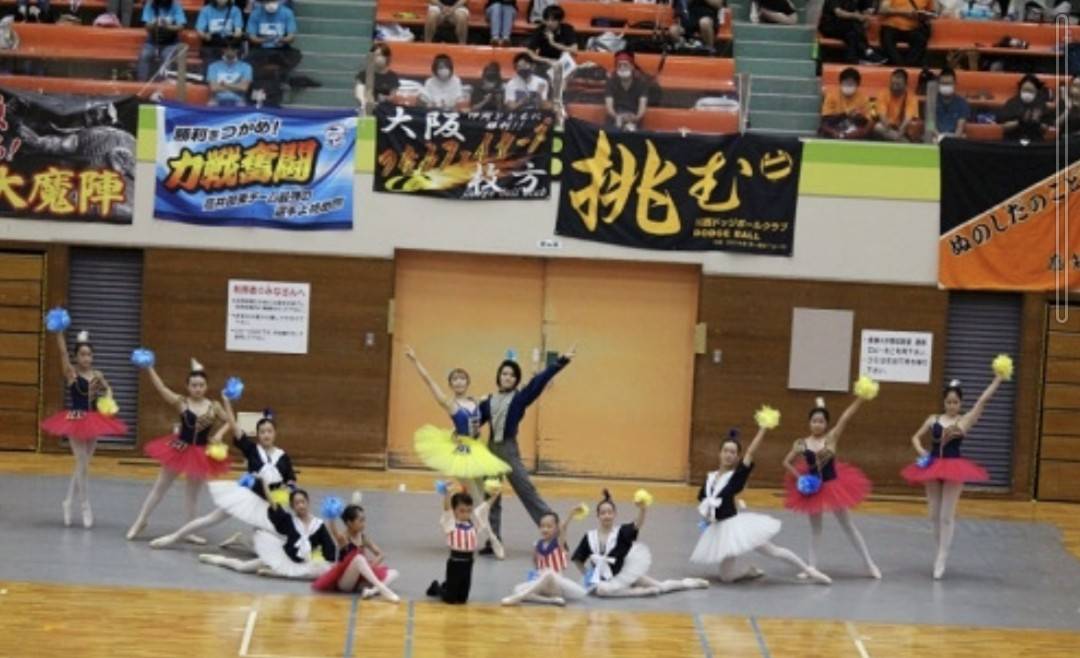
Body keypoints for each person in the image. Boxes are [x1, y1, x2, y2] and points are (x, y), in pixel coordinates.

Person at [902, 364, 1008, 579]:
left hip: (953, 467)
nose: (952, 405)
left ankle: (941, 557)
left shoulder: (964, 420)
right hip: (932, 466)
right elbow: (915, 437)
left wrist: (998, 379)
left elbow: (983, 400)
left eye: (956, 402)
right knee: (933, 515)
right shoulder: (933, 419)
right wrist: (921, 451)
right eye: (949, 402)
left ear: (960, 403)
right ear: (944, 402)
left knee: (946, 516)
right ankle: (939, 549)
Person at [692, 424, 832, 585]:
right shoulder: (710, 478)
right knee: (726, 577)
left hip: (736, 527)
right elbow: (705, 500)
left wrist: (763, 428)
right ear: (719, 453)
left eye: (733, 452)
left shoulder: (736, 476)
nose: (728, 455)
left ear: (737, 457)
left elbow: (751, 452)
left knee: (773, 551)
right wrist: (708, 518)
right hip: (720, 529)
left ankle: (810, 570)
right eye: (725, 451)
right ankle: (750, 571)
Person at [149, 404, 294, 549]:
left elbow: (290, 480)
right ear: (258, 435)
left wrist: (288, 491)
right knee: (211, 519)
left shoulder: (283, 456)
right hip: (246, 495)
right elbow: (233, 424)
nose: (266, 435)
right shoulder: (251, 449)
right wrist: (226, 401)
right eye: (262, 432)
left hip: (269, 501)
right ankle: (173, 537)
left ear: (275, 433)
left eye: (269, 431)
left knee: (268, 546)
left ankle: (241, 539)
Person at [477, 347, 576, 552]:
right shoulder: (488, 402)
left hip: (508, 450)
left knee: (527, 492)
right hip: (491, 450)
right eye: (504, 373)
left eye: (512, 375)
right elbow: (475, 421)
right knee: (491, 496)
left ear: (516, 380)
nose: (507, 377)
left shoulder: (519, 398)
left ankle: (556, 537)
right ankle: (493, 541)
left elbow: (539, 381)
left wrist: (561, 362)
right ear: (498, 376)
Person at [126, 357, 230, 541]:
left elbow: (230, 420)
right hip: (179, 449)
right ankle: (140, 521)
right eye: (194, 385)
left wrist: (220, 434)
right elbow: (162, 389)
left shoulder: (213, 406)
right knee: (160, 487)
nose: (198, 388)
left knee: (192, 496)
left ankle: (189, 531)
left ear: (206, 386)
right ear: (187, 387)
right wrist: (150, 368)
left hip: (200, 452)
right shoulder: (182, 402)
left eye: (201, 385)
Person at [782, 391, 881, 580]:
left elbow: (846, 416)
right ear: (809, 422)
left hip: (834, 486)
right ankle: (811, 567)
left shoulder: (831, 438)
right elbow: (786, 462)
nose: (817, 424)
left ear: (826, 424)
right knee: (816, 529)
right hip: (812, 489)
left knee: (848, 526)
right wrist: (800, 478)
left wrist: (861, 398)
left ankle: (869, 564)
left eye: (821, 421)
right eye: (814, 421)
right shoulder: (802, 443)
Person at [405, 346, 510, 518]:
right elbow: (429, 381)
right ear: (450, 384)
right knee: (476, 496)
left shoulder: (476, 400)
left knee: (482, 492)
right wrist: (415, 361)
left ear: (467, 382)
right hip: (462, 452)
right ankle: (477, 528)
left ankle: (471, 525)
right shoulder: (450, 403)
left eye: (462, 378)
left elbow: (500, 396)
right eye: (455, 379)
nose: (459, 382)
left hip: (478, 449)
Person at [40, 323, 127, 529]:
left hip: (94, 419)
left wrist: (109, 399)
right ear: (76, 357)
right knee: (81, 462)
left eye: (89, 354)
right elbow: (62, 354)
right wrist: (59, 333)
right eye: (82, 355)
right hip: (76, 419)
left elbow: (108, 388)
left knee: (84, 464)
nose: (86, 358)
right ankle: (85, 504)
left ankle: (67, 501)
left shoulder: (97, 375)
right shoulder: (72, 374)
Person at [571, 489, 709, 598]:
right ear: (598, 516)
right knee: (602, 590)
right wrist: (588, 575)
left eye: (609, 512)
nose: (606, 515)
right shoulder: (590, 537)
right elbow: (578, 559)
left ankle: (688, 583)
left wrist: (643, 509)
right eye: (603, 513)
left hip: (623, 573)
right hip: (603, 581)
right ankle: (641, 592)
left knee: (660, 586)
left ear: (614, 515)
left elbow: (637, 524)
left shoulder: (621, 532)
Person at [200, 489, 337, 580]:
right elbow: (274, 507)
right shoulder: (289, 521)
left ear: (308, 502)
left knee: (322, 571)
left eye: (303, 502)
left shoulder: (318, 525)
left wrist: (326, 562)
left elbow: (329, 547)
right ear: (292, 506)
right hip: (281, 558)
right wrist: (265, 486)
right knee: (243, 567)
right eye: (296, 503)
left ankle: (275, 573)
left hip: (302, 563)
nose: (300, 505)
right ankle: (218, 560)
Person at [426, 487, 501, 604]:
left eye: (469, 510)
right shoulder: (451, 523)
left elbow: (485, 508)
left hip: (469, 563)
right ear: (454, 510)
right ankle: (436, 586)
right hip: (455, 563)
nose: (466, 514)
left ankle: (448, 584)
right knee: (450, 599)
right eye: (462, 511)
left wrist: (495, 496)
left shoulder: (473, 524)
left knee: (462, 599)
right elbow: (447, 510)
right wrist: (447, 494)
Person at [313, 503, 401, 601]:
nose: (364, 524)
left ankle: (371, 591)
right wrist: (332, 517)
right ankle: (384, 590)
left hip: (358, 581)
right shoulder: (344, 538)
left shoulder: (363, 537)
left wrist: (371, 566)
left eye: (364, 520)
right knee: (359, 558)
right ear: (349, 523)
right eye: (360, 521)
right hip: (345, 583)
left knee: (394, 573)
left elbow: (380, 554)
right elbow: (334, 532)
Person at [501, 507, 588, 606]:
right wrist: (537, 575)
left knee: (549, 574)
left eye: (549, 526)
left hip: (554, 584)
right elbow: (536, 564)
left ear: (556, 528)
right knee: (516, 588)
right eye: (542, 526)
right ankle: (550, 600)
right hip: (541, 584)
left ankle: (519, 597)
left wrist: (571, 514)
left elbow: (563, 527)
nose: (545, 529)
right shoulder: (537, 545)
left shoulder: (558, 543)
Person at [246, 0, 302, 107]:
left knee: (292, 57)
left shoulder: (287, 13)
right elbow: (252, 36)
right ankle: (255, 92)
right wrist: (264, 40)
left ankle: (282, 84)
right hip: (261, 48)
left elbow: (291, 36)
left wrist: (282, 40)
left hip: (280, 49)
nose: (270, 4)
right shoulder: (256, 13)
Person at [818, 0, 886, 64]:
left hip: (848, 28)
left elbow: (867, 10)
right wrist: (856, 16)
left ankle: (853, 59)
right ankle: (867, 51)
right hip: (830, 25)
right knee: (853, 26)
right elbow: (839, 13)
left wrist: (866, 16)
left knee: (852, 34)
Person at [136, 0, 187, 82]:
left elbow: (181, 27)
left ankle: (162, 86)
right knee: (144, 55)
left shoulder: (176, 5)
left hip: (171, 42)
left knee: (167, 57)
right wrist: (154, 24)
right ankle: (141, 83)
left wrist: (168, 27)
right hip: (152, 42)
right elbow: (147, 27)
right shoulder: (150, 5)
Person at [819, 66, 875, 139]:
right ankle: (840, 135)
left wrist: (858, 116)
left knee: (869, 128)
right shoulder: (832, 96)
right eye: (846, 83)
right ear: (840, 83)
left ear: (857, 84)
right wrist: (845, 114)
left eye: (851, 84)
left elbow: (868, 121)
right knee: (824, 127)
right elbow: (826, 119)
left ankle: (845, 136)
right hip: (836, 125)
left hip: (855, 126)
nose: (848, 86)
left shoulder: (863, 98)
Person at [877, 0, 937, 67]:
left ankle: (907, 66)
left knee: (921, 40)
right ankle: (899, 64)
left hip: (913, 28)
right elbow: (883, 10)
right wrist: (903, 12)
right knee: (887, 38)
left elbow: (933, 14)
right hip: (891, 26)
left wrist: (923, 15)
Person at [998, 74, 1051, 143]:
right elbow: (1005, 127)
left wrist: (1037, 123)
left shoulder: (1041, 104)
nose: (1027, 93)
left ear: (1036, 91)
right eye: (1025, 90)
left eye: (1030, 91)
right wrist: (1020, 122)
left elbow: (1045, 128)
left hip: (1034, 141)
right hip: (1013, 140)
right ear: (1020, 89)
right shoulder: (1011, 102)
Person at [604, 52, 648, 131]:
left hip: (634, 117)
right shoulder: (611, 82)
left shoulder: (641, 83)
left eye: (625, 65)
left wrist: (635, 118)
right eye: (619, 65)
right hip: (615, 117)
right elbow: (609, 108)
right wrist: (618, 117)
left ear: (632, 67)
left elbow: (642, 108)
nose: (622, 67)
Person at [196, 0, 245, 70]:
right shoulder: (206, 10)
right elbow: (200, 30)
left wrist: (235, 34)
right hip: (212, 44)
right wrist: (205, 36)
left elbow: (238, 30)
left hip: (229, 44)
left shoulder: (235, 10)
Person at [873, 68, 919, 142]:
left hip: (903, 129)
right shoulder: (883, 94)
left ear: (905, 84)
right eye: (893, 84)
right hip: (888, 128)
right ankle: (903, 141)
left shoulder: (911, 97)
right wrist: (890, 129)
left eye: (898, 84)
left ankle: (902, 140)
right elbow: (882, 116)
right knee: (878, 127)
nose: (894, 86)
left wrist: (901, 131)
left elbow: (908, 119)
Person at [527, 5, 577, 70]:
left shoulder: (567, 29)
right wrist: (547, 60)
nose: (549, 23)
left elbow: (574, 50)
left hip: (563, 63)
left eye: (553, 20)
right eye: (547, 20)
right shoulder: (540, 30)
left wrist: (553, 43)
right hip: (545, 63)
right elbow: (530, 52)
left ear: (560, 21)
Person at [206, 43, 253, 107]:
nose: (230, 51)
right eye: (227, 48)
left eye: (233, 49)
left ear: (237, 50)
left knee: (241, 105)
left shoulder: (246, 67)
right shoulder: (213, 66)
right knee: (211, 104)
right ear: (223, 50)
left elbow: (244, 88)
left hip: (239, 101)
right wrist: (237, 86)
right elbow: (214, 88)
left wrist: (224, 84)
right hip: (216, 100)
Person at [356, 43, 400, 109]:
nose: (378, 58)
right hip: (367, 109)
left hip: (385, 110)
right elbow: (359, 93)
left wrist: (384, 99)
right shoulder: (363, 74)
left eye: (381, 55)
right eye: (375, 55)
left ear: (387, 58)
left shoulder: (392, 76)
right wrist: (364, 102)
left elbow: (392, 96)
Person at [931, 67, 969, 141]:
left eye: (948, 84)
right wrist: (939, 137)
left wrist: (952, 142)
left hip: (955, 138)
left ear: (955, 84)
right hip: (936, 137)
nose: (946, 86)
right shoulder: (931, 102)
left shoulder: (962, 103)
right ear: (939, 84)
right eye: (943, 83)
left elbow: (960, 128)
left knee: (963, 137)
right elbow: (930, 126)